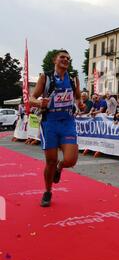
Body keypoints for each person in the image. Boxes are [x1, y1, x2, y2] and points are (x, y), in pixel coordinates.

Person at [30, 49, 84, 207]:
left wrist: (79, 102)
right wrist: (39, 102)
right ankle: (47, 191)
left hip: (67, 122)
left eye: (68, 58)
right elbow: (31, 98)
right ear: (55, 60)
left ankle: (61, 167)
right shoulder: (45, 77)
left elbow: (78, 96)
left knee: (70, 159)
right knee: (51, 161)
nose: (66, 60)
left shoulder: (73, 78)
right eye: (62, 57)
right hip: (50, 123)